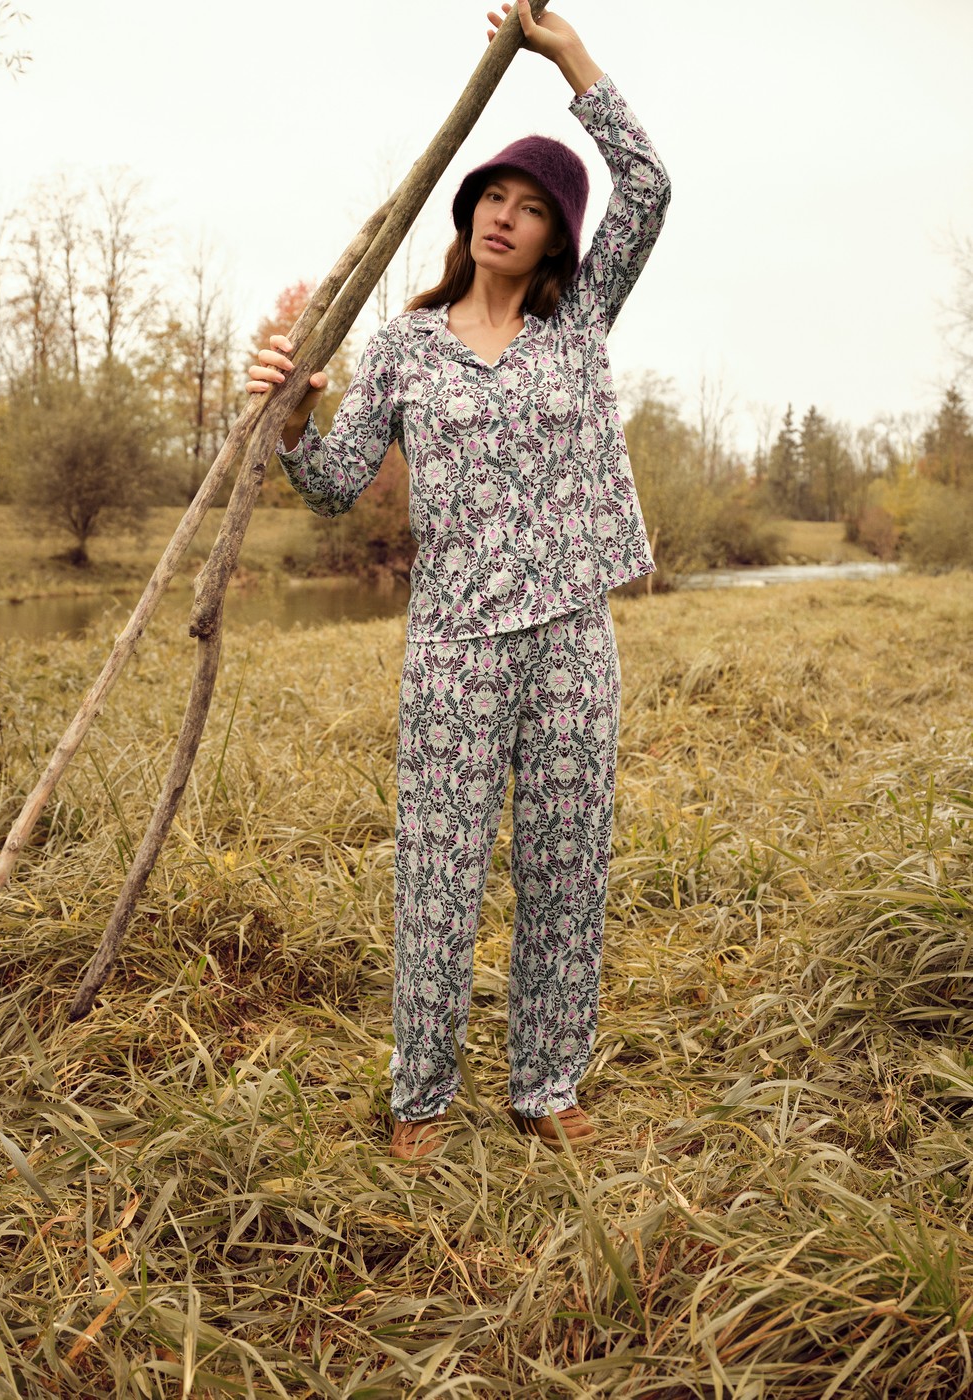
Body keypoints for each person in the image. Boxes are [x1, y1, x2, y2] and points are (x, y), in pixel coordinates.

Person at [247, 0, 670, 1162]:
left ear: (558, 238)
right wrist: (292, 413)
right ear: (468, 207)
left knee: (566, 862)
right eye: (494, 194)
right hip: (453, 644)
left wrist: (566, 54)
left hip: (571, 630)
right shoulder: (404, 344)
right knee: (437, 867)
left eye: (532, 207)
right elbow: (334, 484)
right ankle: (421, 1097)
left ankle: (546, 1085)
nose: (505, 214)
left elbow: (648, 186)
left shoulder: (578, 324)